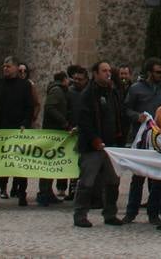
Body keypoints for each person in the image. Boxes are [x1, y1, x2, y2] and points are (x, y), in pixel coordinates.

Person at [73, 60, 126, 228]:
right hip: (93, 145)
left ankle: (110, 213)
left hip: (111, 145)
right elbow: (84, 120)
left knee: (113, 181)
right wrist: (94, 139)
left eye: (109, 70)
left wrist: (120, 137)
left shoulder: (113, 92)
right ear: (95, 73)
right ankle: (80, 214)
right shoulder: (88, 94)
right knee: (87, 181)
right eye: (104, 70)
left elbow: (119, 115)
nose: (108, 73)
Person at [122, 58, 161, 224]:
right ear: (149, 72)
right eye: (158, 71)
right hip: (141, 139)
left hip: (158, 140)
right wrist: (137, 117)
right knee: (137, 177)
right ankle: (131, 211)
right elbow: (126, 109)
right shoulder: (136, 89)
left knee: (156, 179)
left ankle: (153, 213)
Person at [0, 57, 34, 206]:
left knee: (21, 163)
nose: (5, 69)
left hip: (18, 129)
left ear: (15, 68)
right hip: (1, 129)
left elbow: (29, 107)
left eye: (8, 66)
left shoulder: (25, 86)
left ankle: (22, 194)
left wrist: (25, 123)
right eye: (4, 66)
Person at [37, 71, 73, 206]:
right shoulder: (57, 91)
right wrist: (63, 122)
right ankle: (43, 193)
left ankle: (47, 192)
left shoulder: (59, 91)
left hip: (55, 131)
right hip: (53, 131)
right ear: (64, 80)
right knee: (48, 163)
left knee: (52, 163)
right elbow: (49, 107)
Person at [61, 64, 88, 199]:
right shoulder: (69, 93)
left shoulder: (89, 93)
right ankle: (72, 189)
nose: (76, 81)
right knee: (71, 161)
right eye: (75, 79)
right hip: (71, 130)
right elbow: (66, 110)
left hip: (85, 131)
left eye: (80, 79)